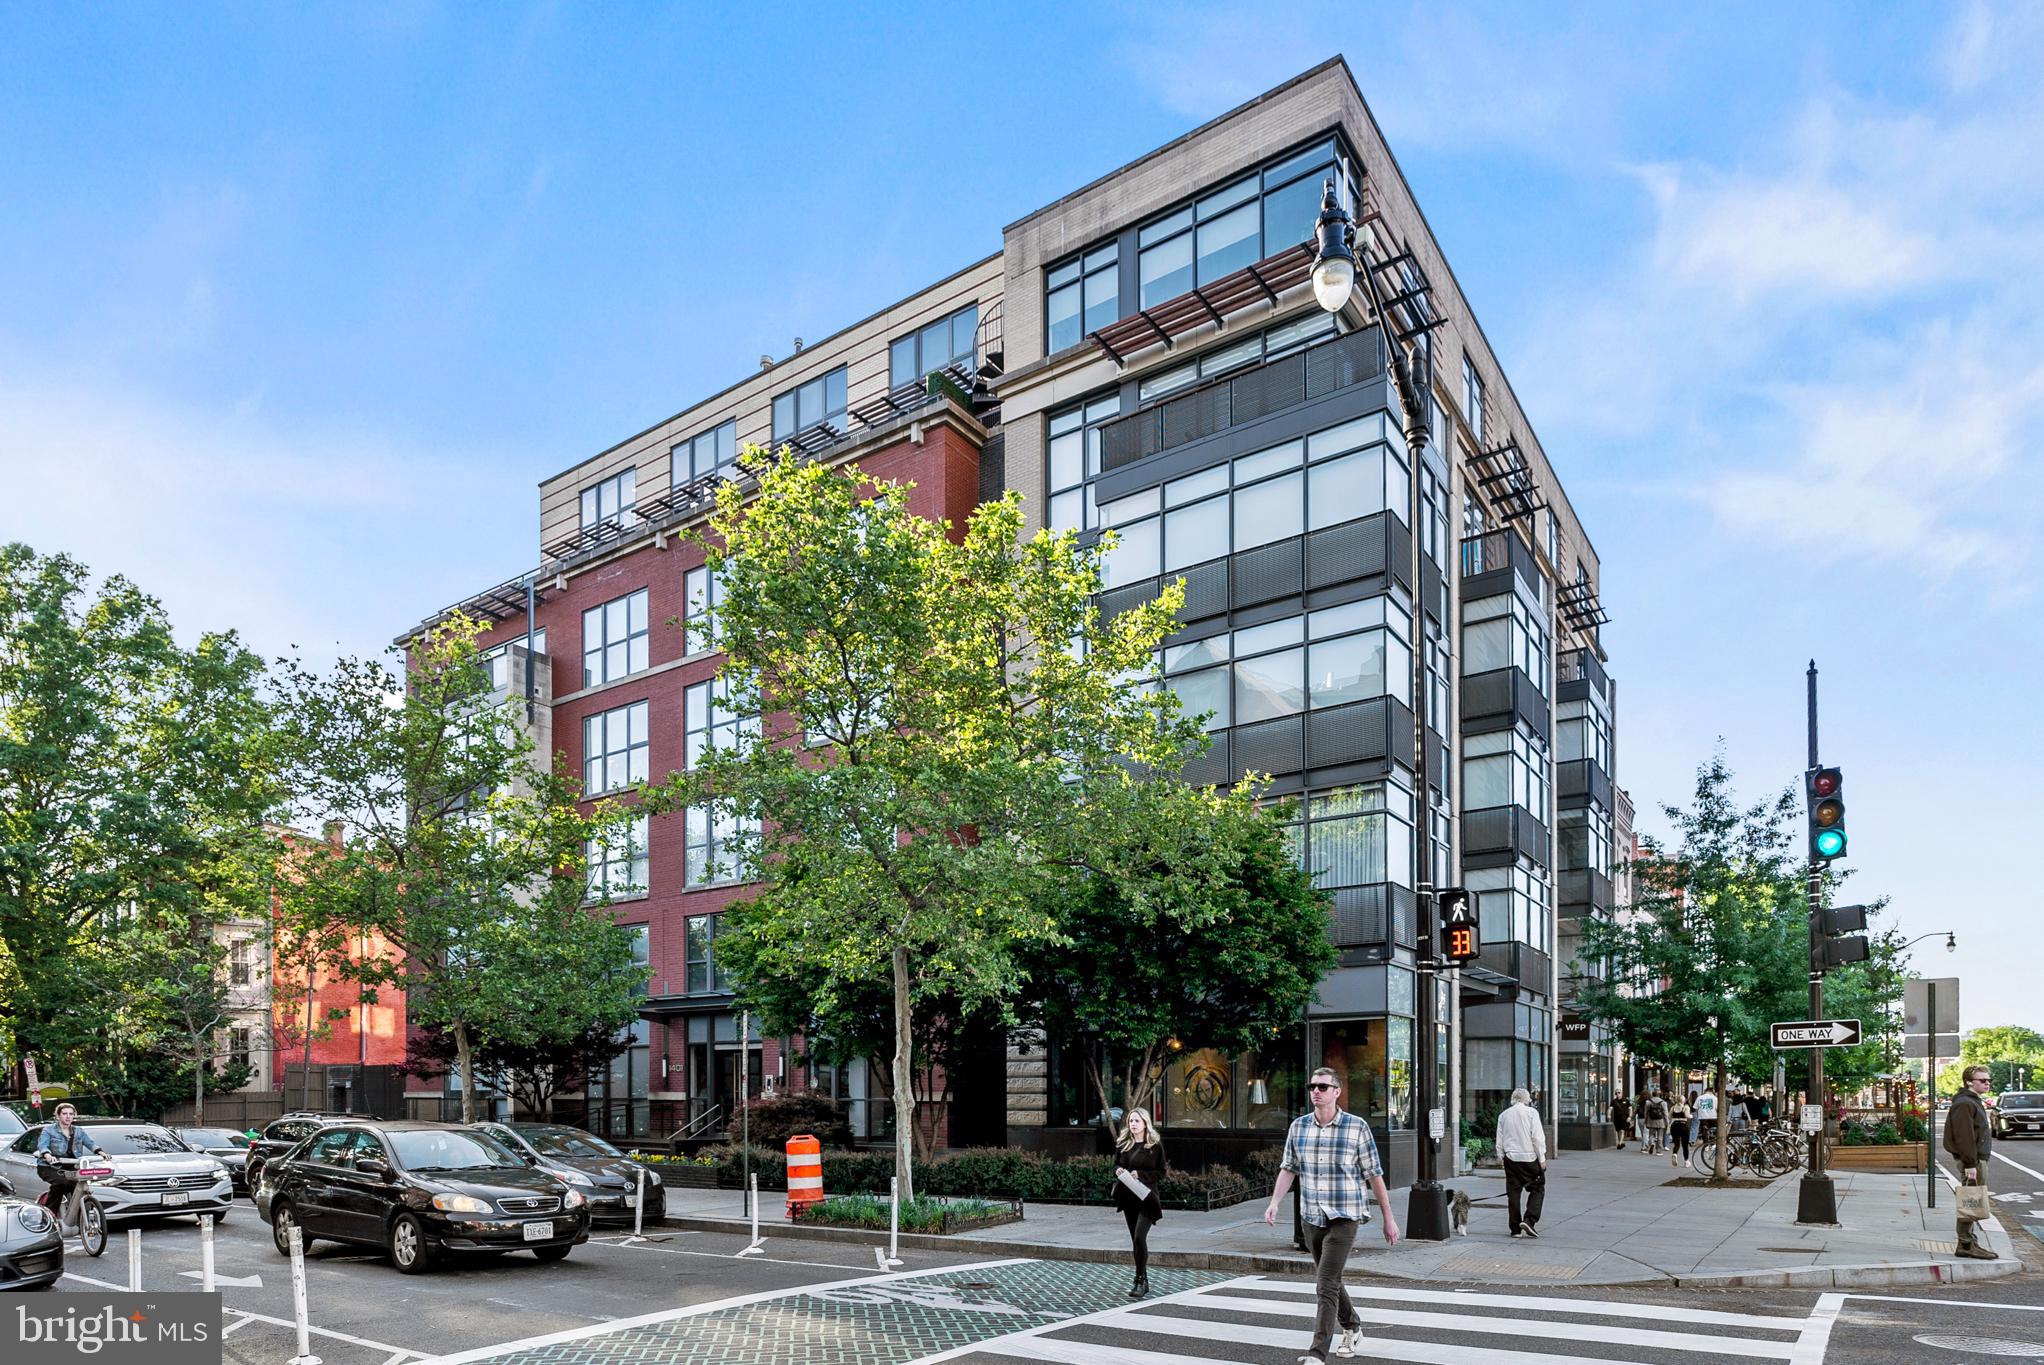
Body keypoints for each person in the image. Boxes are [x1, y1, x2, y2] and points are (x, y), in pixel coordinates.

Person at [1264, 1066, 1400, 1364]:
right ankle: (1352, 1326)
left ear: (1337, 1092)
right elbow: (1289, 1168)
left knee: (1324, 1282)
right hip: (1311, 1217)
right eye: (1312, 1086)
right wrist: (1274, 1202)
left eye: (1323, 1087)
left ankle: (1317, 1353)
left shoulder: (1356, 1127)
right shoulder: (1299, 1127)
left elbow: (1374, 1175)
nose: (1316, 1091)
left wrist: (1388, 1219)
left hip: (1345, 1216)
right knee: (1331, 1280)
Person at [1112, 1107, 1167, 1298]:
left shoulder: (1155, 1146)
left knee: (1139, 1237)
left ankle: (1141, 1281)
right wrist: (1119, 1171)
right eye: (1130, 1121)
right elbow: (1116, 1165)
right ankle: (1140, 1278)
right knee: (1134, 1242)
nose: (1133, 1124)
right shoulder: (1123, 1144)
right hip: (1128, 1197)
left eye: (1136, 1121)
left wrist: (1141, 1175)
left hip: (1147, 1197)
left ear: (1145, 1123)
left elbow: (1161, 1172)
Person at [1945, 1065, 1997, 1260]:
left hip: (1976, 1159)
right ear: (1969, 1082)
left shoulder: (1972, 1101)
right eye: (1982, 1080)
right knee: (1970, 1200)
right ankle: (1966, 1244)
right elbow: (1964, 1136)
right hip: (1973, 1161)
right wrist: (1970, 1164)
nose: (1987, 1083)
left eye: (1988, 1080)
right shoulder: (1965, 1103)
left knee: (1972, 1199)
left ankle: (1969, 1242)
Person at [34, 1101, 104, 1242]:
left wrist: (100, 1152)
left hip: (72, 1166)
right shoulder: (49, 1130)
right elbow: (43, 1146)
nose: (68, 1117)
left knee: (79, 1187)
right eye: (64, 1114)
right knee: (61, 1183)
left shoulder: (78, 1131)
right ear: (58, 1116)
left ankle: (80, 1219)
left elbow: (89, 1143)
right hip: (50, 1166)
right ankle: (48, 1216)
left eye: (71, 1114)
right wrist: (48, 1156)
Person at [1496, 1087, 1547, 1238]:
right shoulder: (1532, 1113)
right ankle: (1529, 1220)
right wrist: (1542, 1158)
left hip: (1511, 1158)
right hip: (1529, 1157)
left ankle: (1515, 1229)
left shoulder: (1503, 1115)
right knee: (1538, 1187)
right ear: (1527, 1100)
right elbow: (1537, 1138)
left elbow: (1499, 1139)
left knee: (1513, 1193)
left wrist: (1501, 1157)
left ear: (1512, 1099)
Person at [1667, 1092, 1692, 1166]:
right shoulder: (1686, 1107)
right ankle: (1686, 1161)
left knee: (1676, 1144)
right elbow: (1687, 1115)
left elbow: (1669, 1117)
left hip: (1674, 1126)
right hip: (1683, 1126)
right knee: (1685, 1145)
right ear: (1683, 1100)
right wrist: (1691, 1116)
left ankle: (1675, 1154)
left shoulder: (1673, 1107)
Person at [1642, 1092, 1668, 1156]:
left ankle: (1652, 1143)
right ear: (1659, 1095)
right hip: (1660, 1121)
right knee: (1660, 1136)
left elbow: (1646, 1113)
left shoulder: (1648, 1102)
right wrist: (1667, 1122)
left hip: (1651, 1121)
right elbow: (1665, 1114)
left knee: (1651, 1134)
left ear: (1652, 1095)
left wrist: (1645, 1121)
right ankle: (1658, 1151)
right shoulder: (1663, 1102)